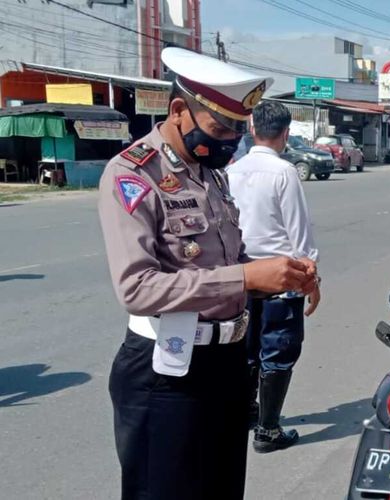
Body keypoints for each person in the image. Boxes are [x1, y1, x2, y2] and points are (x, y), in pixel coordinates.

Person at [98, 48, 317, 500]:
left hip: (227, 363)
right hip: (165, 370)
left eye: (239, 129)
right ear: (179, 111)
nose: (230, 140)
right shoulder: (133, 174)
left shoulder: (211, 175)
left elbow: (222, 263)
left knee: (221, 489)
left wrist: (285, 273)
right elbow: (136, 288)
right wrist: (246, 279)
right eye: (220, 128)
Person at [227, 100, 321, 453]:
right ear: (285, 134)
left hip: (244, 276)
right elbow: (300, 236)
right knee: (278, 351)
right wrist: (311, 279)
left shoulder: (231, 170)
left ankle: (249, 411)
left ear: (252, 129)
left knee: (248, 350)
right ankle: (267, 430)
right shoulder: (284, 173)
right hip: (281, 278)